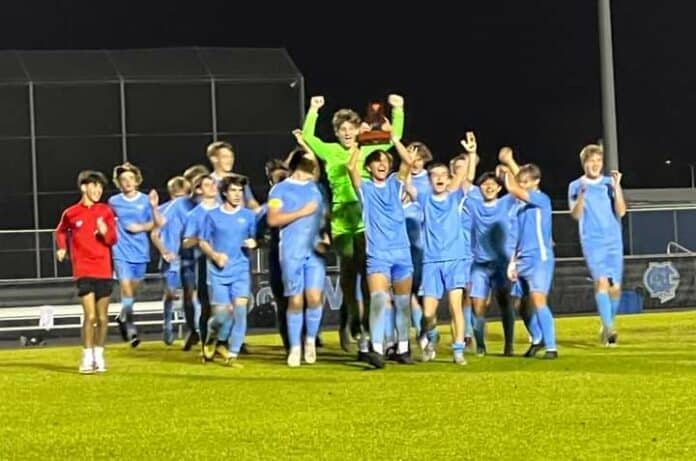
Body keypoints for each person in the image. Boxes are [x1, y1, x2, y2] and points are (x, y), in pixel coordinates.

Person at [302, 94, 405, 352]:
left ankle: (369, 333)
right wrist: (314, 110)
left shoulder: (368, 148)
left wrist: (398, 110)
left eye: (351, 128)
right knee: (349, 275)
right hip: (341, 221)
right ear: (337, 133)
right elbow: (309, 137)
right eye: (342, 129)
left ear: (358, 129)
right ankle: (352, 321)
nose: (347, 133)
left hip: (365, 221)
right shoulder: (331, 151)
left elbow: (396, 137)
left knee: (369, 276)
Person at [347, 129, 414, 368]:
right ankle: (376, 349)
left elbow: (408, 161)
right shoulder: (365, 188)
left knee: (403, 302)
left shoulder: (396, 184)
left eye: (385, 161)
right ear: (370, 168)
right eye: (376, 162)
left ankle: (404, 347)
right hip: (378, 254)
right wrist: (359, 143)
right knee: (377, 299)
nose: (382, 164)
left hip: (402, 252)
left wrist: (393, 138)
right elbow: (350, 168)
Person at [416, 133, 478, 365]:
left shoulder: (456, 197)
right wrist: (410, 163)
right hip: (431, 261)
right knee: (428, 314)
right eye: (435, 175)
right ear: (429, 180)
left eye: (444, 175)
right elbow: (407, 184)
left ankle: (458, 350)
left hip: (455, 259)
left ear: (449, 178)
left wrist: (471, 153)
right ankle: (431, 337)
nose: (440, 178)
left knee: (455, 307)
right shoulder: (423, 198)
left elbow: (465, 175)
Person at [267, 150, 326, 366]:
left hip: (314, 253)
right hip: (291, 252)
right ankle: (295, 347)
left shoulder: (315, 189)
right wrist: (303, 212)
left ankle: (310, 340)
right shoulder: (279, 190)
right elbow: (273, 219)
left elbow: (322, 217)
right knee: (295, 300)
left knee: (314, 298)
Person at [55, 171, 117, 373]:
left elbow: (112, 239)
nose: (98, 190)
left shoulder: (105, 211)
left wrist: (104, 231)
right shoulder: (71, 213)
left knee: (103, 318)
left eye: (100, 187)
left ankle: (99, 354)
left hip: (104, 269)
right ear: (84, 187)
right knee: (89, 317)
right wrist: (62, 247)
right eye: (94, 186)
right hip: (84, 270)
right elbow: (61, 231)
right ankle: (87, 356)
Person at [568, 144, 626, 346]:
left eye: (598, 161)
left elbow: (621, 211)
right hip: (592, 240)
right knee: (601, 282)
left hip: (613, 239)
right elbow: (575, 214)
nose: (595, 164)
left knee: (615, 289)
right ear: (584, 163)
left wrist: (617, 186)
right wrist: (582, 195)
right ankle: (610, 331)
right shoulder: (575, 185)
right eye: (591, 161)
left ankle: (606, 324)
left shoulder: (609, 182)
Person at [500, 164, 558, 359]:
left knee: (538, 299)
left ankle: (551, 347)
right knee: (520, 306)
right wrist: (512, 262)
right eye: (521, 182)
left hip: (540, 257)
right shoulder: (518, 208)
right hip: (522, 260)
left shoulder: (541, 199)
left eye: (526, 182)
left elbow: (513, 188)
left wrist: (507, 168)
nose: (522, 186)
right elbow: (514, 237)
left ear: (536, 182)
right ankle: (537, 338)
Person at [198, 175, 257, 364]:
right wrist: (215, 256)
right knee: (222, 316)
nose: (238, 194)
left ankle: (233, 353)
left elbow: (257, 238)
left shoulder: (248, 216)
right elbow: (202, 241)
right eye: (233, 190)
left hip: (240, 270)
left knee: (239, 311)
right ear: (224, 192)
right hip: (218, 272)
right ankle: (212, 338)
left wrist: (254, 243)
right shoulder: (212, 216)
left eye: (240, 191)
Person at [109, 162, 163, 348]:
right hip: (120, 251)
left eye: (131, 178)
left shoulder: (146, 200)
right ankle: (132, 331)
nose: (128, 182)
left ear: (137, 180)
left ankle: (122, 317)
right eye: (124, 179)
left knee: (133, 290)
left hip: (140, 252)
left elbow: (157, 223)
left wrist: (141, 226)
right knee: (126, 290)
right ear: (119, 183)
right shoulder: (114, 201)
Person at [467, 168, 517, 357]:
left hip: (501, 264)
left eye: (492, 184)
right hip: (479, 265)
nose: (488, 187)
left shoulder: (506, 203)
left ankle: (509, 345)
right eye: (485, 184)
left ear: (499, 188)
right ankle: (480, 346)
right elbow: (463, 183)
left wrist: (508, 169)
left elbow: (518, 186)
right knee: (477, 306)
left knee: (505, 303)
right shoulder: (474, 204)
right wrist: (471, 155)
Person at [150, 176, 193, 345]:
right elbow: (154, 234)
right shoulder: (163, 210)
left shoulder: (192, 209)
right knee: (170, 293)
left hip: (189, 257)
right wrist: (164, 251)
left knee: (191, 294)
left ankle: (192, 329)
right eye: (177, 194)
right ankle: (167, 326)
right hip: (172, 258)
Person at [182, 174, 219, 353]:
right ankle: (206, 343)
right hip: (204, 264)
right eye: (207, 184)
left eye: (213, 183)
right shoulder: (195, 214)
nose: (212, 186)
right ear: (199, 190)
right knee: (207, 306)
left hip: (228, 263)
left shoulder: (226, 209)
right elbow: (186, 242)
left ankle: (227, 343)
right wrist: (200, 239)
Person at [206, 141, 260, 210]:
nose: (229, 160)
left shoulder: (240, 179)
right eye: (225, 157)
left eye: (231, 157)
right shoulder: (207, 182)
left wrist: (257, 210)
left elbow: (251, 202)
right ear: (214, 159)